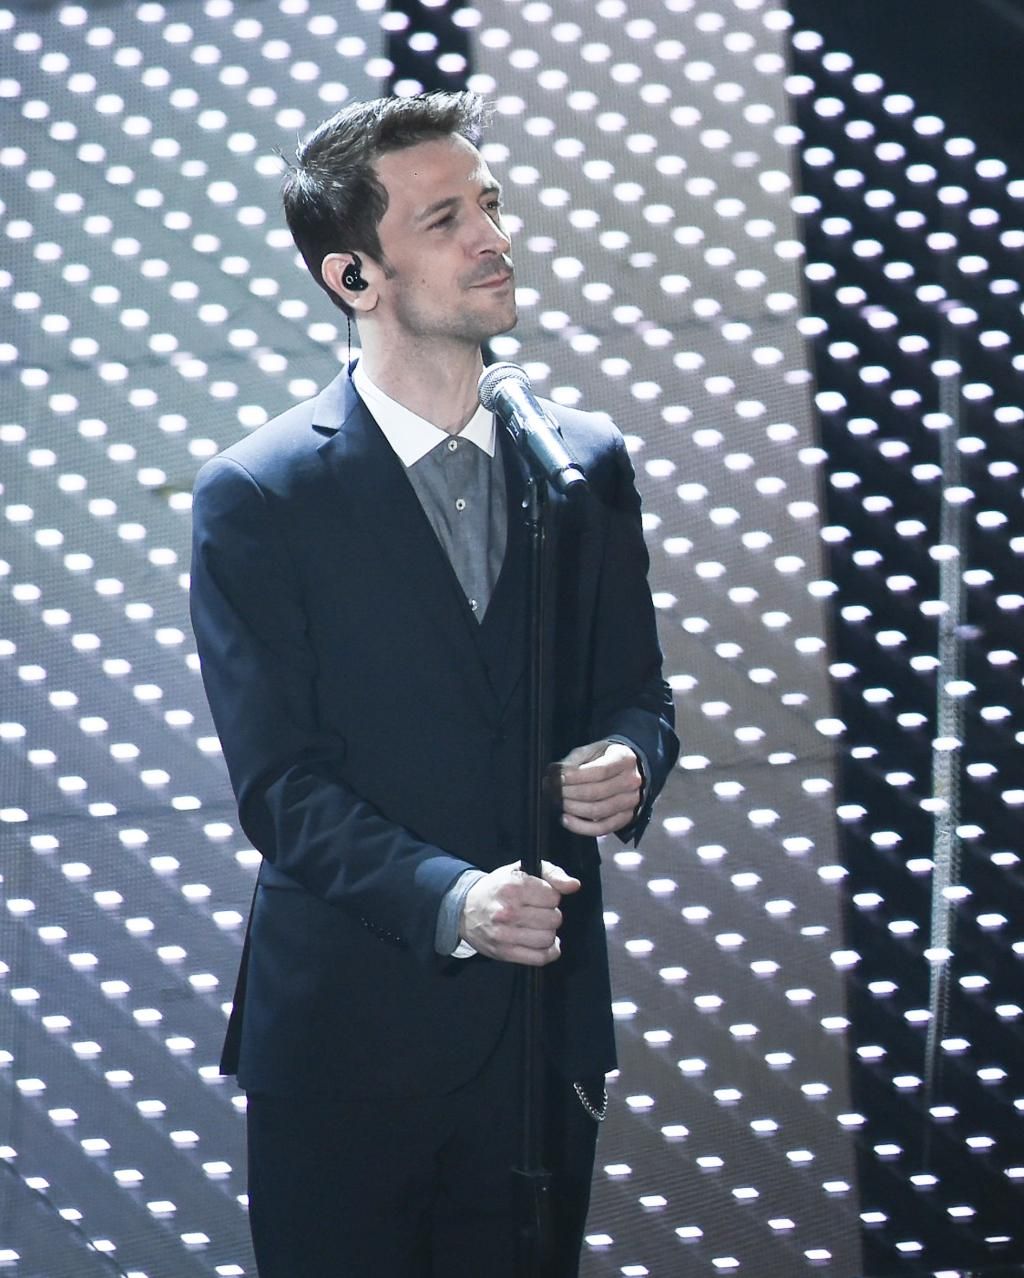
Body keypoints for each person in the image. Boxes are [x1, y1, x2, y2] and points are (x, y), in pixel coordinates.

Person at [189, 92, 678, 1277]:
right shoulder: (261, 494)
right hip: (348, 1035)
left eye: (491, 204)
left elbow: (638, 695)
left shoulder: (581, 462)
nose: (492, 238)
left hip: (542, 1032)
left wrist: (629, 762)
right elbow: (282, 788)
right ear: (354, 276)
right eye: (446, 218)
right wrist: (455, 900)